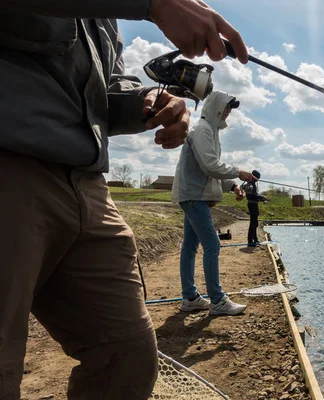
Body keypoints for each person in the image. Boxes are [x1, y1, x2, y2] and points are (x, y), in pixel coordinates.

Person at [0, 1, 247, 399]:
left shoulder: (106, 17)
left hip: (87, 184)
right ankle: (203, 298)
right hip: (12, 170)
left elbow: (104, 88)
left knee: (127, 356)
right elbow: (213, 165)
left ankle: (197, 297)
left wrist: (150, 100)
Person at [172, 91, 257, 315]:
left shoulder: (209, 131)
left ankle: (190, 298)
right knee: (212, 245)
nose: (229, 113)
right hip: (193, 196)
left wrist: (232, 185)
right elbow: (210, 165)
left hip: (192, 195)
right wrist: (240, 173)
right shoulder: (203, 130)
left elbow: (209, 167)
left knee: (190, 247)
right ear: (217, 108)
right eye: (228, 108)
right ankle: (217, 300)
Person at [242, 170, 269, 247]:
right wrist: (261, 197)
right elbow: (250, 196)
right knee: (253, 223)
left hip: (254, 204)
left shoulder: (253, 184)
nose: (258, 179)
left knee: (255, 223)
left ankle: (255, 239)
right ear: (254, 177)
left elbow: (254, 196)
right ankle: (250, 241)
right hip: (252, 205)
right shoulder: (250, 184)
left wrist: (262, 199)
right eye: (258, 178)